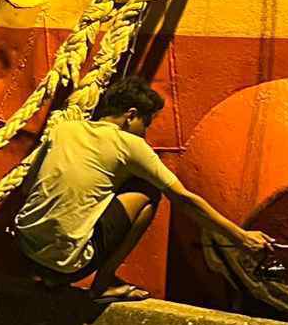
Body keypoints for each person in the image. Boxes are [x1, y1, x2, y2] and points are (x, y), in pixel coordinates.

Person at [15, 77, 273, 302]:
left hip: (24, 254)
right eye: (146, 123)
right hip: (67, 265)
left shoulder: (64, 129)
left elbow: (28, 187)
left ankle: (48, 274)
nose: (146, 132)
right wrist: (240, 237)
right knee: (149, 192)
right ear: (130, 115)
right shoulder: (130, 144)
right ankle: (103, 285)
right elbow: (183, 198)